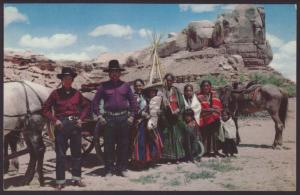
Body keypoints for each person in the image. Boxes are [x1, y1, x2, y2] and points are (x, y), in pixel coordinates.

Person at [42, 67, 90, 190]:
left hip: (75, 125)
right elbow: (45, 110)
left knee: (76, 154)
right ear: (62, 80)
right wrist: (55, 120)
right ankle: (60, 181)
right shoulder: (55, 94)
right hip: (61, 126)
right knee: (61, 155)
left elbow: (85, 107)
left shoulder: (77, 94)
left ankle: (77, 179)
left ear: (72, 80)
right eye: (65, 78)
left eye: (70, 78)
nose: (68, 81)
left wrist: (81, 119)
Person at [92, 59, 137, 177]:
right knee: (108, 146)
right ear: (109, 73)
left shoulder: (126, 86)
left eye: (116, 71)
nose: (114, 74)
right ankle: (109, 170)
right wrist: (99, 116)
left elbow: (133, 103)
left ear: (120, 73)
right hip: (109, 119)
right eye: (112, 71)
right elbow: (95, 103)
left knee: (123, 144)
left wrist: (132, 116)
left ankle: (122, 168)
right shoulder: (103, 87)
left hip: (123, 118)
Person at [131, 81, 163, 169]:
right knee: (140, 142)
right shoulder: (132, 97)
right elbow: (133, 108)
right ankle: (140, 162)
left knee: (151, 141)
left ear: (143, 86)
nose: (138, 87)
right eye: (136, 86)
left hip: (149, 121)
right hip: (139, 121)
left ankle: (150, 160)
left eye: (140, 85)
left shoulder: (146, 96)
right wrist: (142, 114)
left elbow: (153, 107)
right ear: (134, 87)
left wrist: (158, 112)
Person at [160, 73, 186, 162]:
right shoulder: (161, 91)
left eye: (171, 80)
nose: (169, 82)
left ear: (173, 81)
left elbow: (181, 103)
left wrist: (178, 110)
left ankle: (177, 157)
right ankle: (167, 158)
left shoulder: (176, 90)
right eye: (167, 80)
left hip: (175, 117)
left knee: (176, 136)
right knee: (167, 136)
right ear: (165, 80)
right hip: (165, 118)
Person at [197, 80, 224, 158]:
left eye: (207, 86)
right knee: (205, 135)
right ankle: (206, 152)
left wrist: (214, 111)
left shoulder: (214, 95)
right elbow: (198, 108)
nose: (206, 87)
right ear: (201, 87)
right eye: (204, 86)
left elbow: (218, 106)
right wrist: (210, 110)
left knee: (215, 135)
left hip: (215, 118)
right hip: (204, 118)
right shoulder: (198, 96)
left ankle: (215, 151)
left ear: (210, 86)